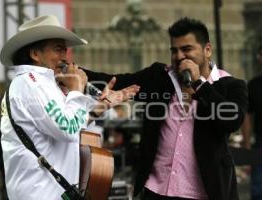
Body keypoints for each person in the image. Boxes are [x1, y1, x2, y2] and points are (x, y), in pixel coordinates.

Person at [84, 17, 248, 200]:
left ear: (207, 50)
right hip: (157, 190)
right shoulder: (160, 77)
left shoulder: (230, 85)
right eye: (174, 50)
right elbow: (115, 82)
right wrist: (76, 74)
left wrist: (199, 85)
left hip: (204, 192)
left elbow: (232, 120)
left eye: (186, 49)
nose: (179, 56)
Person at [0, 15, 139, 200]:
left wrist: (101, 107)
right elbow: (67, 129)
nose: (65, 58)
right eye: (58, 50)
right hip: (39, 193)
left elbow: (71, 123)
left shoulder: (39, 84)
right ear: (35, 53)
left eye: (65, 50)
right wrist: (77, 89)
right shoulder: (32, 84)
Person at [241, 41, 262, 200]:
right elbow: (247, 116)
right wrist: (247, 146)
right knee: (259, 189)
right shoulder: (254, 85)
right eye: (260, 54)